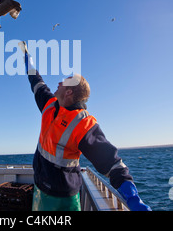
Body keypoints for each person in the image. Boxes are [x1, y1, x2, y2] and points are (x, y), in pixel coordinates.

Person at [20, 42, 151, 211]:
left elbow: (111, 163)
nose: (59, 83)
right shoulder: (49, 104)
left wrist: (133, 198)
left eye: (64, 82)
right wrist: (27, 58)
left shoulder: (83, 124)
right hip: (40, 186)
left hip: (63, 197)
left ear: (69, 92)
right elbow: (36, 80)